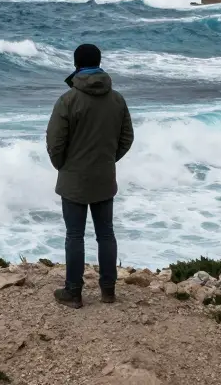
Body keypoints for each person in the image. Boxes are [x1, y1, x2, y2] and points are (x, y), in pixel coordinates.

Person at [45, 43, 134, 308]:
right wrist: (107, 160)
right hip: (104, 177)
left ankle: (74, 292)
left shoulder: (68, 100)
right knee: (105, 234)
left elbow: (55, 143)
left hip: (74, 179)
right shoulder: (116, 98)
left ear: (76, 65)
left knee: (75, 235)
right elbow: (127, 137)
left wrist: (64, 165)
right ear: (99, 62)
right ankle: (108, 290)